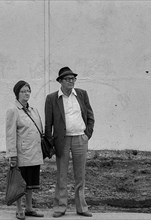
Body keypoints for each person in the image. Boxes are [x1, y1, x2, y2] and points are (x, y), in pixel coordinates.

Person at [44, 67, 94, 218]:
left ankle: (81, 207)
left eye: (73, 79)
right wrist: (51, 143)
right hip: (62, 140)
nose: (71, 81)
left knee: (80, 175)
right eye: (67, 79)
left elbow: (90, 116)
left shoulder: (82, 94)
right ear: (60, 81)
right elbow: (48, 124)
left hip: (80, 139)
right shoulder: (52, 98)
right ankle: (60, 206)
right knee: (61, 175)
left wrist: (87, 135)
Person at [6, 80, 44, 220]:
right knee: (20, 183)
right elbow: (10, 134)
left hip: (34, 153)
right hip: (22, 154)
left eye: (28, 91)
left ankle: (29, 208)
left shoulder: (33, 110)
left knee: (30, 184)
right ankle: (19, 209)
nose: (26, 93)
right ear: (17, 93)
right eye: (23, 91)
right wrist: (12, 155)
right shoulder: (13, 110)